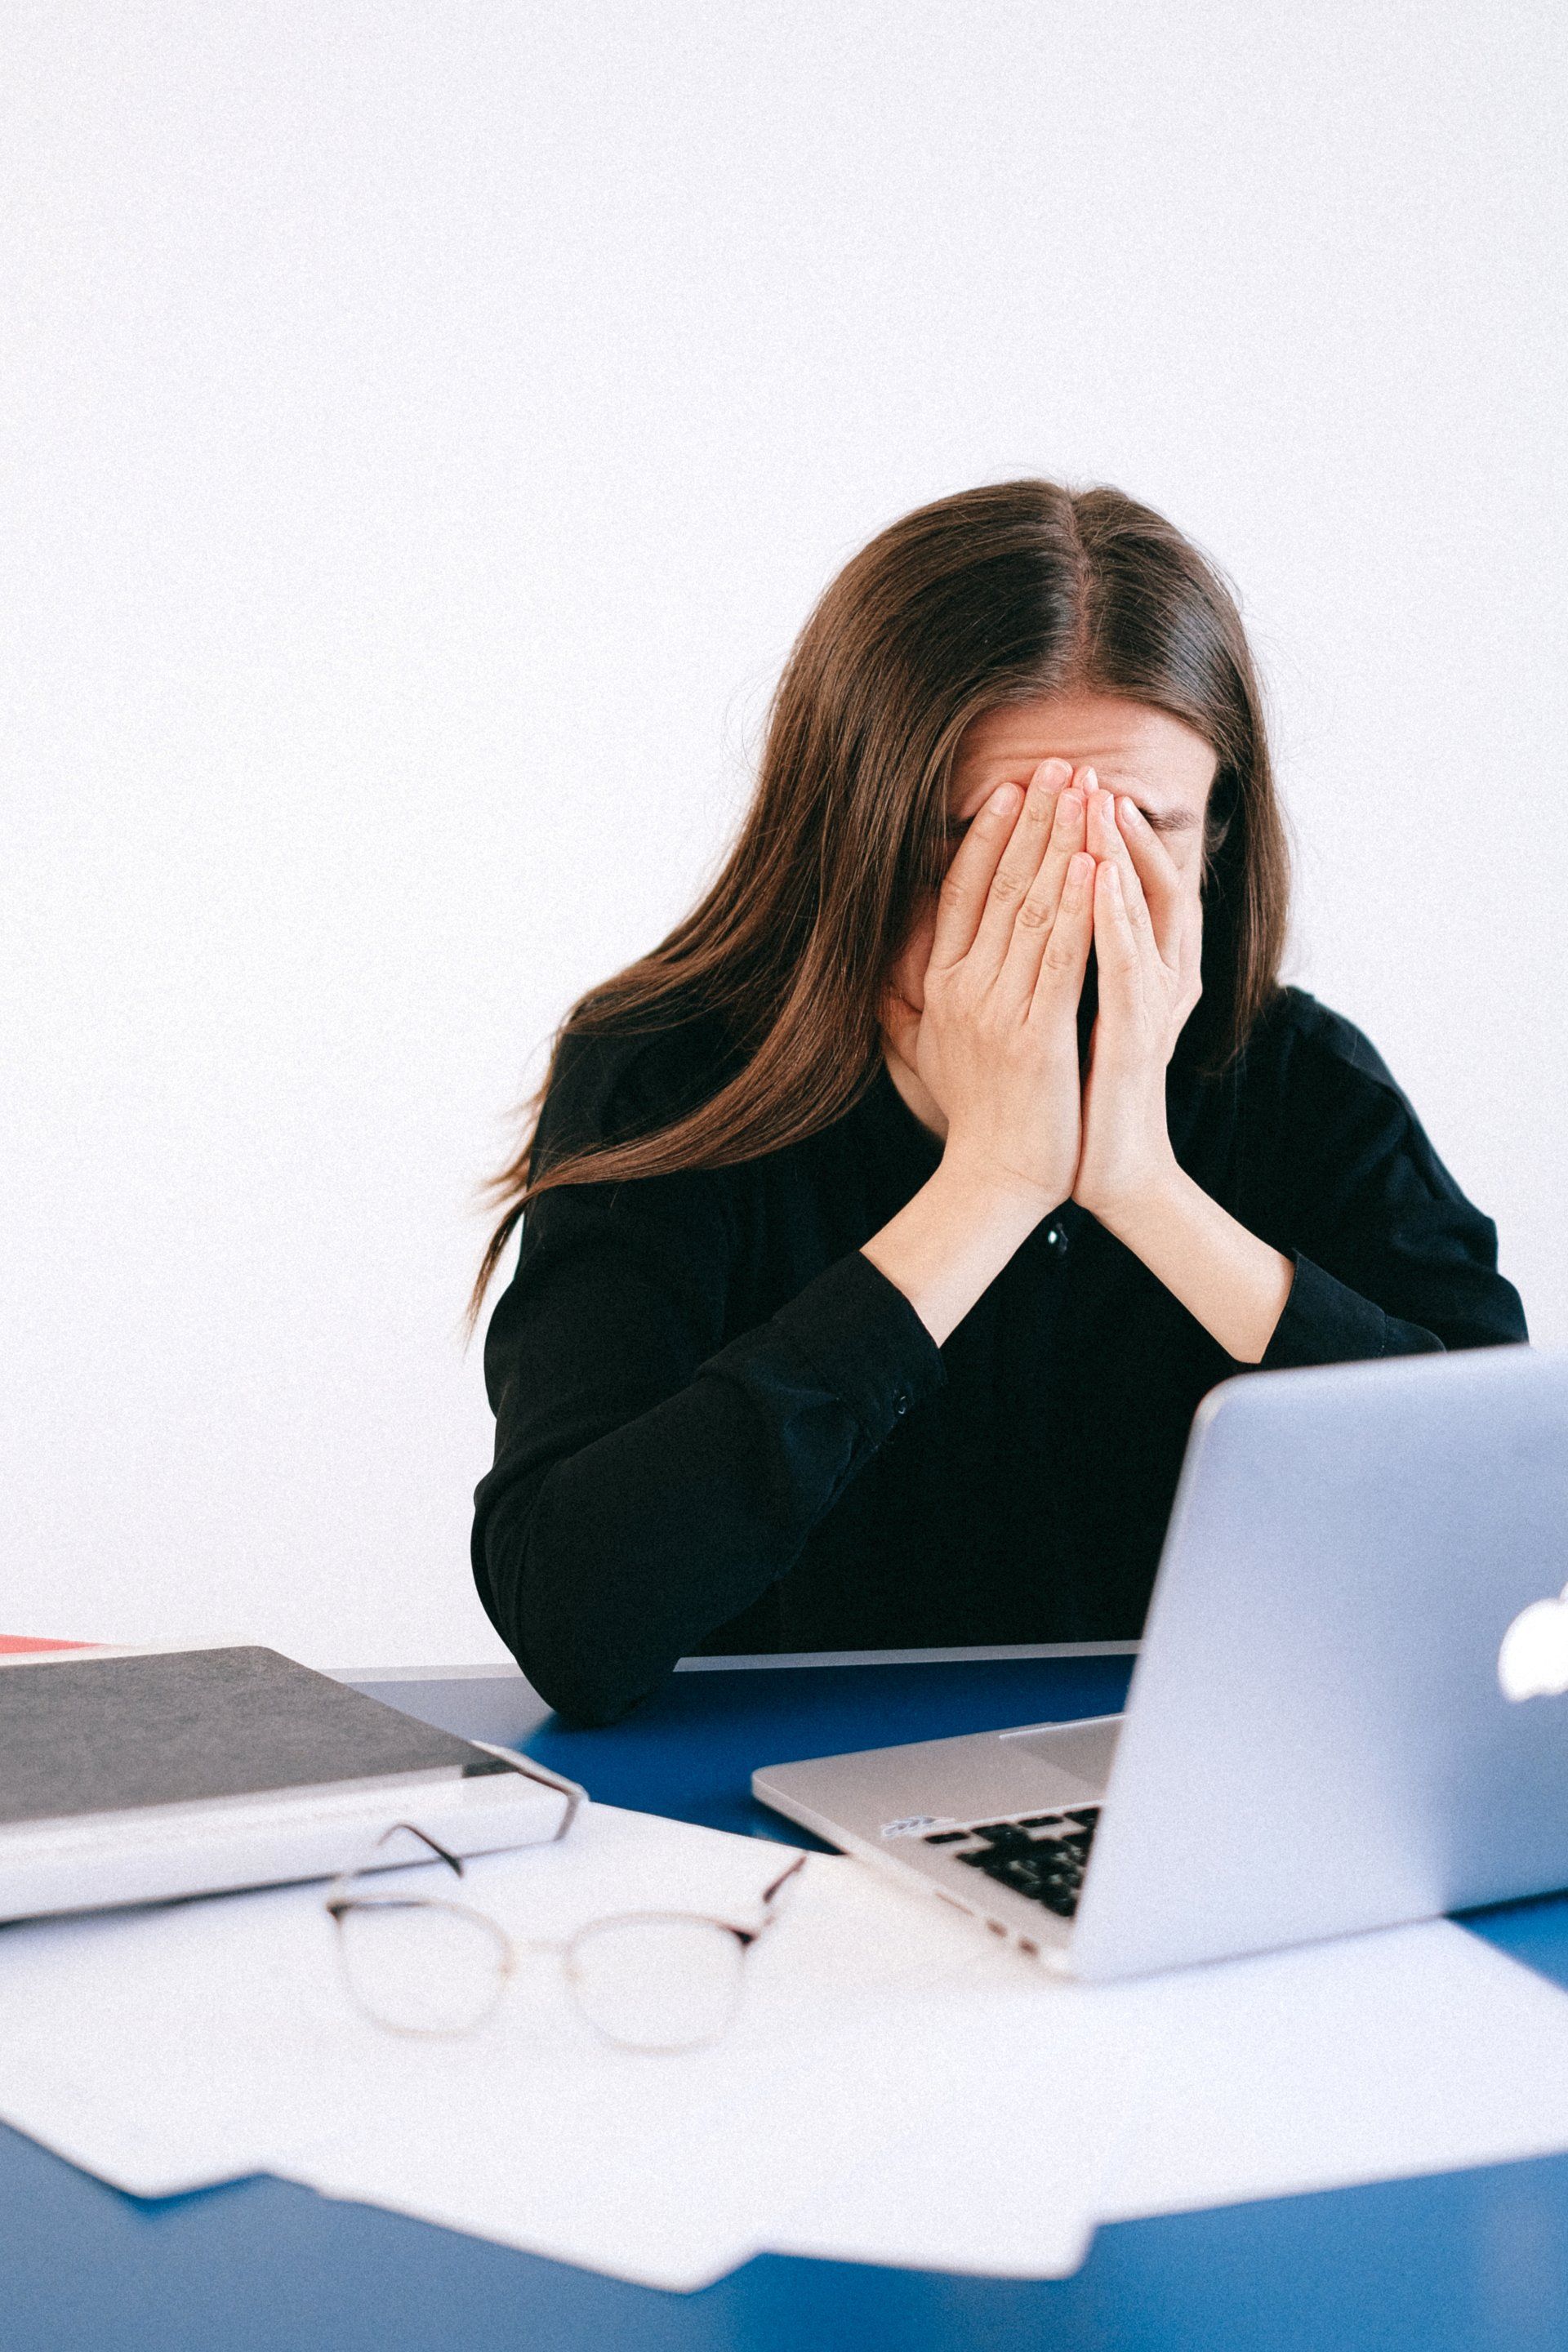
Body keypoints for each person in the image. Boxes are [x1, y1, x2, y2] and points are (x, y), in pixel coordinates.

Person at [466, 479, 1527, 1726]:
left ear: (1219, 839)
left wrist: (1143, 1187)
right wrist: (988, 1186)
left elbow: (1502, 1536)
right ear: (851, 832)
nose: (1066, 907)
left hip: (1176, 1791)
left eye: (1142, 837)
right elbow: (573, 1620)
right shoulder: (667, 1071)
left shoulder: (1301, 1081)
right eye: (990, 841)